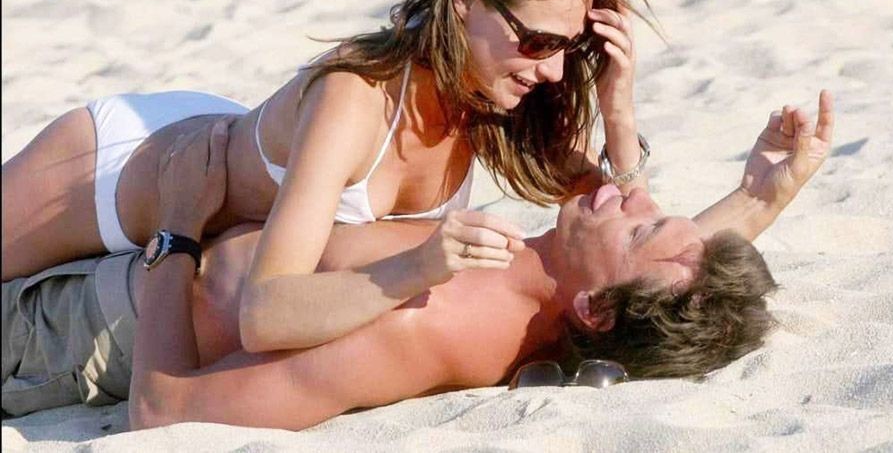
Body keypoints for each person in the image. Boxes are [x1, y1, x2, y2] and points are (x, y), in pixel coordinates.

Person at [2, 0, 803, 355]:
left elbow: (630, 248)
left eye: (570, 47)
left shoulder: (492, 96)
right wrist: (415, 269)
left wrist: (621, 110)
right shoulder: (358, 99)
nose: (555, 71)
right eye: (537, 41)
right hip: (114, 170)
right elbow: (266, 313)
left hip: (204, 184)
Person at [1, 89, 834, 429]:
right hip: (144, 254)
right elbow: (665, 283)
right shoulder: (554, 287)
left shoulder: (420, 320)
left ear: (595, 310)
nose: (635, 191)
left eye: (641, 225)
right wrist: (759, 196)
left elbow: (165, 411)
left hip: (76, 328)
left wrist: (176, 235)